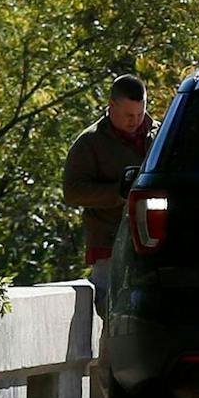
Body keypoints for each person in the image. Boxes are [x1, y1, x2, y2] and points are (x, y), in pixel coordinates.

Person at [64, 74, 156, 319]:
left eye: (140, 114)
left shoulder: (159, 136)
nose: (135, 121)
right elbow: (73, 191)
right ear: (111, 105)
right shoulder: (90, 143)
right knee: (111, 310)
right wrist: (119, 193)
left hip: (154, 240)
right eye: (128, 115)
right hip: (108, 241)